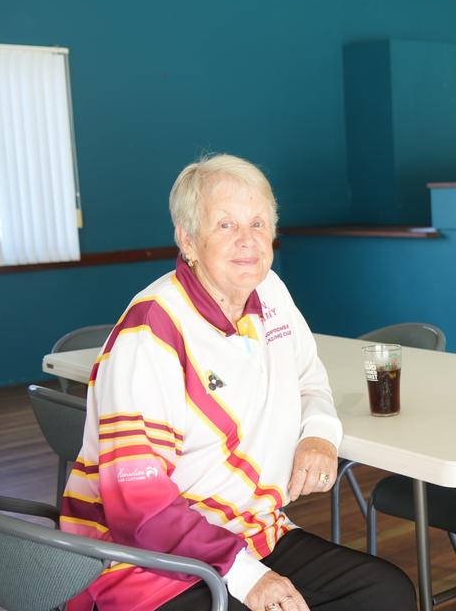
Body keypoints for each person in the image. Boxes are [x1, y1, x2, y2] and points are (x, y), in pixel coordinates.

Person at [60, 154, 415, 611]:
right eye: (225, 225)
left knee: (386, 593)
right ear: (187, 240)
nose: (247, 241)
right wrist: (248, 578)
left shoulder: (269, 293)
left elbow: (311, 381)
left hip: (254, 531)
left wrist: (321, 436)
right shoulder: (151, 333)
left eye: (258, 223)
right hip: (146, 559)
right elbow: (138, 507)